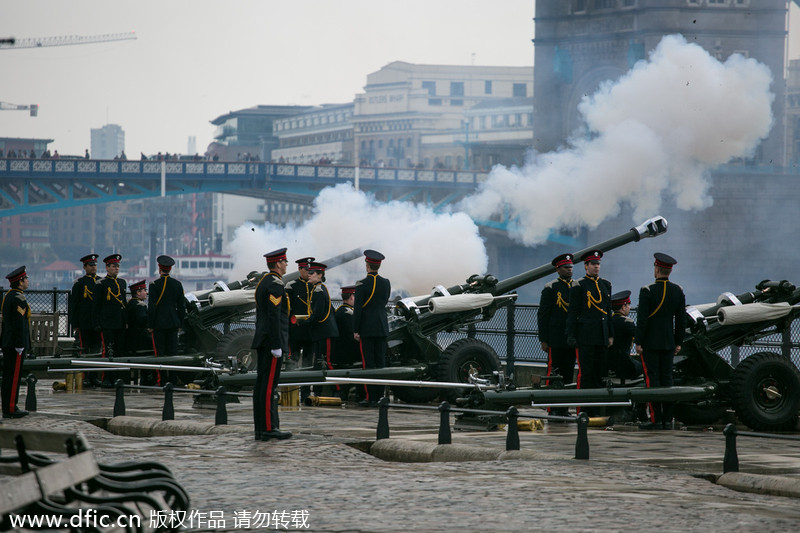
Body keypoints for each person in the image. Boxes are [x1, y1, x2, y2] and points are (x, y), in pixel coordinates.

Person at [636, 253, 686, 430]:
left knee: (653, 380)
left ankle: (656, 419)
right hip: (669, 342)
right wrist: (678, 342)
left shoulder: (647, 290)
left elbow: (642, 320)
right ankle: (668, 419)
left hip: (650, 343)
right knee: (667, 379)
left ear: (656, 269)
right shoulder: (678, 291)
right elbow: (681, 320)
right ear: (669, 271)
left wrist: (638, 341)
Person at [565, 250, 614, 416]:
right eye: (593, 264)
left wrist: (610, 334)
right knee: (586, 374)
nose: (596, 267)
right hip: (585, 337)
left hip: (601, 336)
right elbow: (572, 312)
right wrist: (571, 335)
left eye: (598, 264)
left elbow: (608, 312)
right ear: (586, 266)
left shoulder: (605, 284)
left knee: (599, 374)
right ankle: (583, 410)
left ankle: (596, 410)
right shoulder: (579, 285)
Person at [251, 248, 291, 441]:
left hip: (264, 340)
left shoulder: (265, 282)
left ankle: (261, 428)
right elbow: (274, 317)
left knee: (261, 385)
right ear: (278, 264)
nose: (286, 264)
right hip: (271, 342)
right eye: (284, 261)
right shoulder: (275, 285)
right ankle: (268, 427)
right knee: (268, 387)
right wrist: (277, 344)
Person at [538, 253, 577, 417]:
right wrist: (543, 339)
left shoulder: (577, 287)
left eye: (571, 267)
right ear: (558, 269)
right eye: (566, 267)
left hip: (571, 339)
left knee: (568, 374)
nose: (569, 270)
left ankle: (564, 408)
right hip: (555, 338)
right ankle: (552, 408)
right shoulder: (551, 288)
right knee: (554, 374)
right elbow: (543, 315)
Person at [353, 249, 390, 406]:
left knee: (368, 364)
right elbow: (384, 302)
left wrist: (356, 329)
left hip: (367, 328)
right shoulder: (386, 283)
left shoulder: (361, 284)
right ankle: (380, 397)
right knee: (380, 363)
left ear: (367, 265)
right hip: (381, 326)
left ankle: (370, 397)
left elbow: (358, 310)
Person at [1, 266, 31, 418]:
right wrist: (20, 344)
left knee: (9, 376)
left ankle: (8, 407)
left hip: (8, 342)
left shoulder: (9, 295)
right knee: (13, 377)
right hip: (15, 344)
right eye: (26, 279)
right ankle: (11, 408)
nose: (27, 281)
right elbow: (19, 323)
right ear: (20, 281)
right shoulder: (19, 298)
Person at [93, 254, 128, 367]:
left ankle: (119, 373)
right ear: (107, 268)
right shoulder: (101, 284)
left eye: (117, 266)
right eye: (114, 266)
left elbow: (124, 303)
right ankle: (107, 375)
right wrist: (97, 323)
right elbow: (96, 306)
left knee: (120, 351)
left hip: (120, 322)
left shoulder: (122, 282)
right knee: (108, 351)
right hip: (107, 323)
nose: (116, 269)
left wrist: (126, 320)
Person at [147, 255, 185, 357]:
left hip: (158, 323)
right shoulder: (177, 284)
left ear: (159, 269)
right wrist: (180, 324)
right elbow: (181, 306)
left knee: (160, 353)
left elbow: (151, 306)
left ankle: (161, 368)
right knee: (172, 352)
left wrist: (150, 325)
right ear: (170, 269)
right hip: (173, 322)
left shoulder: (154, 284)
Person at [285, 256, 315, 370]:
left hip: (310, 329)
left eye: (311, 270)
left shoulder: (314, 285)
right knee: (293, 358)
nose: (309, 273)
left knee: (308, 359)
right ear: (300, 269)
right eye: (306, 270)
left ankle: (306, 381)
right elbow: (287, 309)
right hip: (295, 329)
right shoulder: (291, 286)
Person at [69, 253, 101, 355]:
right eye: (90, 265)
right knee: (83, 348)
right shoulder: (80, 283)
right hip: (84, 322)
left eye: (95, 265)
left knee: (97, 348)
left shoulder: (101, 282)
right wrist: (75, 323)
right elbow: (74, 304)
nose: (93, 267)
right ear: (85, 267)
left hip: (98, 322)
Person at [608, 290, 643, 381]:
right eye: (628, 305)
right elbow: (640, 337)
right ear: (623, 307)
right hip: (624, 364)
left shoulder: (608, 322)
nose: (629, 307)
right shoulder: (627, 322)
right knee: (645, 366)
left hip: (608, 364)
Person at [333, 285, 360, 401]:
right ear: (352, 297)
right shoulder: (348, 313)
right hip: (348, 353)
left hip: (342, 351)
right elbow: (351, 335)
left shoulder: (340, 310)